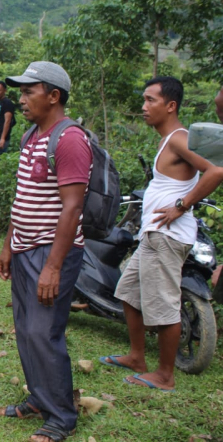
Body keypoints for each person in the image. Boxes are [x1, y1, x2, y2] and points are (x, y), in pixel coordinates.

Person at [100, 76, 223, 393]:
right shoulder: (166, 140)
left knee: (165, 305)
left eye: (150, 100)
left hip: (168, 236)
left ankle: (164, 375)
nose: (144, 107)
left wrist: (180, 206)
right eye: (143, 100)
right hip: (153, 235)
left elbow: (217, 171)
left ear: (170, 105)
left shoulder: (179, 138)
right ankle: (136, 357)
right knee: (128, 292)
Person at [0, 62, 91, 442]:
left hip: (52, 251)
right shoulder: (32, 135)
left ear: (53, 96)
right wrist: (7, 246)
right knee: (26, 329)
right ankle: (39, 397)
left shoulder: (69, 139)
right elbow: (24, 199)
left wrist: (53, 266)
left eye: (28, 92)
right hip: (24, 248)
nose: (20, 100)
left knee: (43, 331)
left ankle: (62, 416)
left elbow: (72, 208)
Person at [0, 80, 16, 156]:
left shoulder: (7, 103)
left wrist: (2, 138)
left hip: (0, 138)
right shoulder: (0, 103)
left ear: (5, 90)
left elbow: (8, 120)